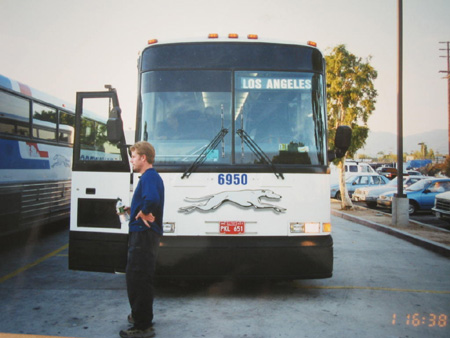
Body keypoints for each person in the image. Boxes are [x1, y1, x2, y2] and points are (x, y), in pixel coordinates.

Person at [119, 141, 165, 338]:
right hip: (146, 235)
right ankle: (142, 316)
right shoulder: (150, 177)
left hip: (143, 236)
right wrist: (136, 210)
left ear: (143, 158)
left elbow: (152, 199)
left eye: (134, 156)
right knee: (141, 277)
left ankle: (142, 327)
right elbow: (149, 199)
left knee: (137, 278)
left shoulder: (149, 177)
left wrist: (144, 212)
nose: (131, 160)